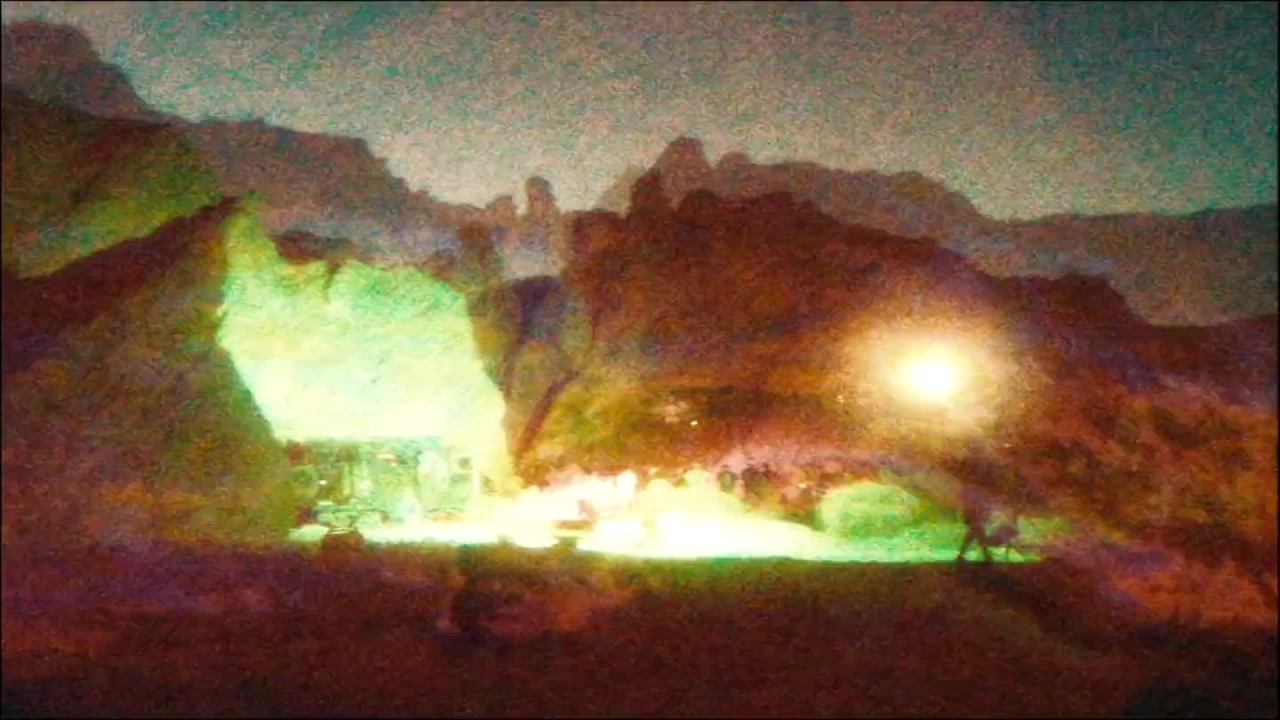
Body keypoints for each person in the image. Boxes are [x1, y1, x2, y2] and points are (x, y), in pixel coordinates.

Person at [956, 485, 994, 563]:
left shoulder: (972, 506)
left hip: (975, 525)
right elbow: (972, 516)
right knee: (979, 541)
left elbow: (966, 517)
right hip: (977, 525)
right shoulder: (975, 506)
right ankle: (987, 556)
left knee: (969, 541)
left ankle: (961, 556)